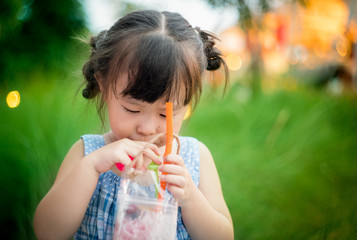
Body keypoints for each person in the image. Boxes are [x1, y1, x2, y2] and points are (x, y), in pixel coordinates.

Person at [33, 10, 233, 240]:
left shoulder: (195, 157)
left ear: (186, 104)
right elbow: (47, 232)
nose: (147, 128)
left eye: (165, 113)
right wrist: (92, 167)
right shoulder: (88, 153)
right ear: (105, 86)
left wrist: (190, 198)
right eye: (132, 109)